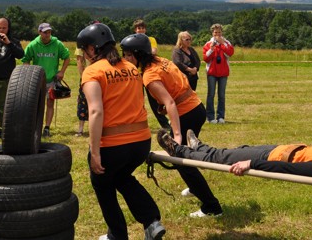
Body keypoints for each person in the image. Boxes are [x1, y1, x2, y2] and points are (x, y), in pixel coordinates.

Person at [76, 23, 165, 240]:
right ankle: (152, 221)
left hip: (113, 145)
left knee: (102, 184)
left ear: (92, 49)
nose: (84, 54)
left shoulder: (93, 71)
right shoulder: (131, 68)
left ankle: (117, 234)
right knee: (122, 176)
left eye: (84, 49)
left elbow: (95, 111)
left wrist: (95, 151)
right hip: (141, 143)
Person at [120, 33, 223, 218]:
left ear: (139, 54)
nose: (125, 59)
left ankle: (212, 207)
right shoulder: (160, 60)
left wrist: (176, 136)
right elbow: (174, 85)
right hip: (196, 107)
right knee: (187, 157)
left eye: (128, 55)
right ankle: (194, 188)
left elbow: (170, 103)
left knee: (183, 162)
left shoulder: (149, 76)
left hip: (187, 113)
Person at [158, 128, 312, 182]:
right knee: (233, 151)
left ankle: (179, 150)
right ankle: (200, 147)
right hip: (284, 148)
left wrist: (252, 164)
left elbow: (287, 170)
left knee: (221, 158)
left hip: (273, 158)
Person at [22, 23, 70, 138]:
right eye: (45, 32)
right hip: (37, 80)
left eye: (49, 32)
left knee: (50, 103)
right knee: (36, 105)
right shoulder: (33, 45)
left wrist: (62, 71)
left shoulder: (57, 44)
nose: (48, 34)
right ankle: (35, 127)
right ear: (39, 32)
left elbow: (67, 57)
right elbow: (25, 60)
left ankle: (47, 128)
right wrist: (30, 73)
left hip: (52, 79)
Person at [202, 23, 234, 124]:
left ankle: (221, 116)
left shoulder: (226, 42)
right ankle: (210, 117)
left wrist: (222, 44)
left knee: (222, 95)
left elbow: (230, 53)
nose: (217, 35)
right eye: (216, 33)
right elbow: (206, 58)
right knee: (210, 95)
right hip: (212, 73)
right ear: (212, 33)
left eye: (219, 32)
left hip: (223, 72)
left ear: (222, 33)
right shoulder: (208, 44)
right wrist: (211, 49)